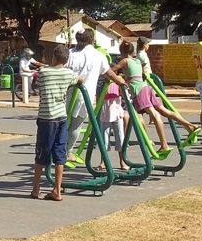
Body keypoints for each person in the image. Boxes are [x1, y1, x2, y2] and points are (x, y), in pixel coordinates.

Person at [114, 41, 200, 154]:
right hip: (146, 88)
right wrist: (124, 76)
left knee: (154, 115)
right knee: (165, 111)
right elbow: (134, 75)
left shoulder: (125, 61)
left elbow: (112, 70)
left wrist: (112, 76)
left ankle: (164, 144)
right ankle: (190, 126)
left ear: (122, 53)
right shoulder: (137, 61)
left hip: (139, 91)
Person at [30, 45, 85, 202]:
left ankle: (36, 188)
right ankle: (57, 190)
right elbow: (80, 79)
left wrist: (45, 67)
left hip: (47, 117)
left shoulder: (44, 72)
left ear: (54, 57)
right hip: (61, 116)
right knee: (60, 153)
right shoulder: (68, 74)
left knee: (41, 153)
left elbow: (38, 85)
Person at [64, 29, 125, 162]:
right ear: (92, 40)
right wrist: (119, 80)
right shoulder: (98, 55)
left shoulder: (70, 54)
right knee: (76, 125)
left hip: (66, 94)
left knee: (63, 125)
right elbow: (108, 73)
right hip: (84, 96)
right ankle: (67, 152)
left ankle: (57, 150)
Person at [98, 82, 128, 170]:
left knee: (120, 138)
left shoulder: (118, 81)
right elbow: (98, 95)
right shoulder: (102, 82)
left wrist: (120, 84)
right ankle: (103, 162)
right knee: (104, 139)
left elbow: (124, 94)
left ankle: (123, 161)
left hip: (117, 112)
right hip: (105, 112)